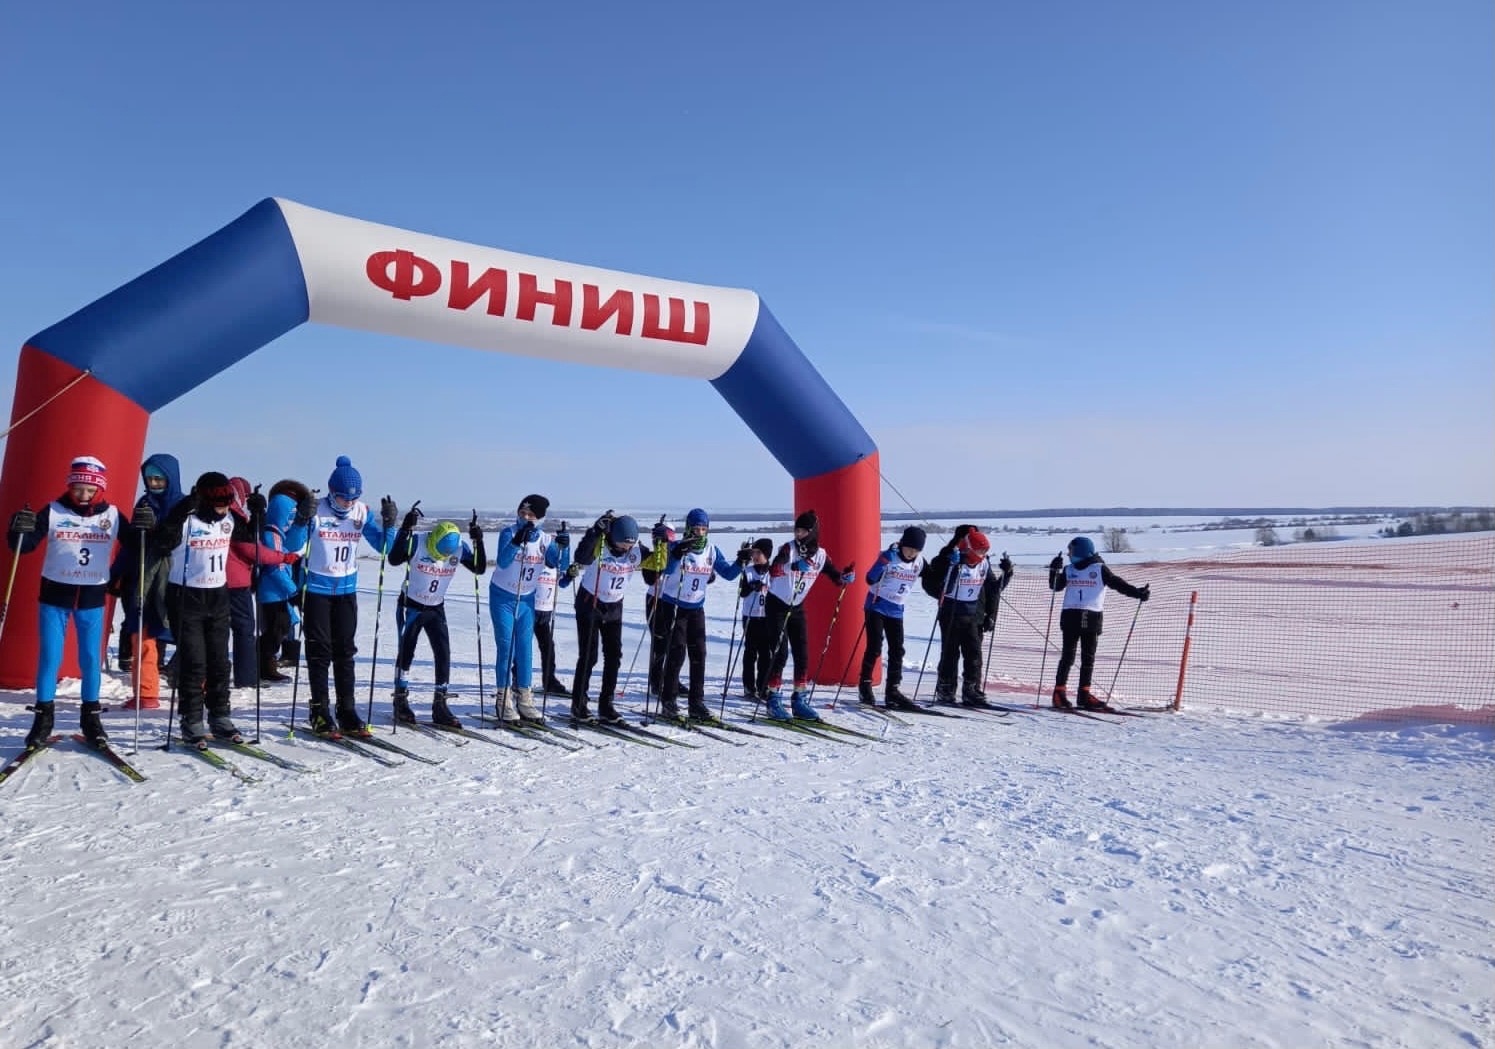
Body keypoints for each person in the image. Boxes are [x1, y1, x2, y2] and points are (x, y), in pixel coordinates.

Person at [7, 456, 123, 750]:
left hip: (92, 597)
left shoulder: (111, 514)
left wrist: (150, 526)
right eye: (78, 488)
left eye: (89, 490)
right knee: (50, 657)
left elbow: (141, 543)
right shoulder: (54, 510)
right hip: (54, 596)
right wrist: (17, 529)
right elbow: (27, 544)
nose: (83, 495)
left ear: (99, 490)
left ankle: (91, 719)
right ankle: (43, 719)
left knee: (89, 659)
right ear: (70, 486)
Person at [153, 471, 269, 746]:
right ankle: (191, 719)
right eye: (218, 504)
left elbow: (252, 538)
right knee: (194, 662)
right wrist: (180, 510)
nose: (223, 509)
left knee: (219, 662)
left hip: (218, 595)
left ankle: (219, 716)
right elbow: (162, 542)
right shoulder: (187, 519)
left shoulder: (229, 519)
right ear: (204, 500)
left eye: (227, 504)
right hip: (186, 596)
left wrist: (258, 512)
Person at [301, 456, 397, 737]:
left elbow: (384, 548)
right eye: (343, 498)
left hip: (346, 592)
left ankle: (347, 710)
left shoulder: (361, 512)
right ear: (332, 492)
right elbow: (295, 543)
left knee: (345, 652)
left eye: (353, 499)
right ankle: (319, 711)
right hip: (317, 591)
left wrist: (389, 523)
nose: (348, 504)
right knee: (319, 653)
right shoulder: (317, 511)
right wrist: (300, 518)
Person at [388, 510, 486, 728]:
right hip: (411, 606)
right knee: (406, 652)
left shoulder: (459, 548)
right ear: (433, 539)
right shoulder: (418, 542)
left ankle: (440, 704)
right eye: (437, 553)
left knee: (443, 653)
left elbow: (479, 568)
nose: (440, 559)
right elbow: (394, 559)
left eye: (444, 556)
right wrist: (404, 529)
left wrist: (478, 540)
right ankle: (400, 700)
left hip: (436, 608)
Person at [762, 510, 855, 721]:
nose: (799, 534)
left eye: (803, 531)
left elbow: (835, 576)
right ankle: (773, 699)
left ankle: (799, 700)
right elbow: (774, 569)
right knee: (780, 653)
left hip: (796, 606)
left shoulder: (821, 555)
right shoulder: (789, 549)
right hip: (777, 604)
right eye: (797, 530)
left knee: (803, 653)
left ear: (812, 533)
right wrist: (792, 566)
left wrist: (845, 577)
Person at [656, 508, 744, 722]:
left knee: (699, 655)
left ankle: (696, 703)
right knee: (676, 655)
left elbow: (729, 574)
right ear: (688, 528)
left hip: (696, 608)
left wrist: (741, 561)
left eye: (704, 529)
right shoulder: (676, 546)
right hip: (673, 605)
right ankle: (669, 702)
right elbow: (665, 571)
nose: (700, 533)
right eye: (696, 528)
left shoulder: (712, 550)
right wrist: (677, 554)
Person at [489, 494, 570, 724]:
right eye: (522, 513)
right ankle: (503, 699)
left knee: (525, 649)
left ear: (540, 518)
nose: (525, 518)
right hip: (502, 597)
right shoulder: (509, 532)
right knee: (507, 647)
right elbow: (503, 562)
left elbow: (558, 564)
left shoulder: (544, 539)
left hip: (526, 600)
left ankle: (524, 698)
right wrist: (517, 541)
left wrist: (565, 546)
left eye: (531, 515)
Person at [1048, 535, 1150, 712]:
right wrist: (1053, 570)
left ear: (1081, 551)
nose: (1068, 554)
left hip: (1091, 616)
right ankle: (1059, 693)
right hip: (1071, 615)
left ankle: (1084, 694)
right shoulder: (1069, 569)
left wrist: (1137, 593)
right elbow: (1056, 586)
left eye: (1071, 551)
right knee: (1068, 657)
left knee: (1088, 658)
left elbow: (1118, 584)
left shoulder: (1099, 568)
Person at [569, 513, 648, 724]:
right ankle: (579, 705)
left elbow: (660, 566)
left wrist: (665, 544)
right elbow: (582, 558)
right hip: (589, 603)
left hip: (614, 606)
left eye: (628, 545)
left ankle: (606, 705)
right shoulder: (600, 545)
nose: (625, 549)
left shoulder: (636, 552)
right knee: (589, 656)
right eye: (622, 544)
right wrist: (593, 532)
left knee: (614, 656)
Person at [112, 453, 183, 681]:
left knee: (167, 613)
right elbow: (131, 542)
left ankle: (166, 662)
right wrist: (116, 572)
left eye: (159, 479)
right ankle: (143, 666)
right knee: (141, 613)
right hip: (142, 567)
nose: (153, 484)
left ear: (170, 479)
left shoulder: (182, 505)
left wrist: (159, 531)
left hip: (171, 569)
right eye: (149, 479)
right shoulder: (144, 502)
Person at [927, 526, 1011, 706]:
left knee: (974, 654)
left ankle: (971, 690)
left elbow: (991, 588)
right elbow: (941, 586)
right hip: (951, 612)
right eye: (979, 550)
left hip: (972, 614)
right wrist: (954, 566)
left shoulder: (983, 563)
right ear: (969, 546)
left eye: (985, 551)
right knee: (950, 654)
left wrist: (1006, 574)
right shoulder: (952, 559)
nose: (982, 554)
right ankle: (946, 688)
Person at [858, 526, 928, 712]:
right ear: (902, 544)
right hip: (877, 606)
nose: (912, 552)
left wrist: (952, 566)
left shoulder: (919, 561)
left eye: (916, 550)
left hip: (896, 610)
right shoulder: (889, 556)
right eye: (909, 548)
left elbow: (932, 578)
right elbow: (870, 579)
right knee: (874, 647)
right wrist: (883, 561)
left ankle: (893, 691)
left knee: (897, 650)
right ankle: (865, 686)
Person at [255, 479, 312, 683]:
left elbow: (296, 545)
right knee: (275, 630)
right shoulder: (272, 535)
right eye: (289, 516)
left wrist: (302, 522)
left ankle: (266, 664)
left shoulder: (279, 533)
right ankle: (263, 665)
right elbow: (277, 567)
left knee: (279, 628)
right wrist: (293, 591)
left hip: (277, 591)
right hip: (273, 592)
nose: (291, 519)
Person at [737, 537, 774, 699]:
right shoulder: (748, 571)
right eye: (754, 552)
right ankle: (748, 686)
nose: (755, 556)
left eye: (759, 553)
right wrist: (752, 586)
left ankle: (763, 686)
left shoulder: (773, 572)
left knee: (766, 654)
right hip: (750, 617)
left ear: (767, 554)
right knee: (750, 653)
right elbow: (742, 593)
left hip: (767, 618)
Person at [530, 561, 571, 699]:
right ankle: (518, 681)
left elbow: (562, 583)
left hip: (545, 612)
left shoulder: (557, 562)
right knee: (522, 647)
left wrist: (570, 576)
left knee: (548, 647)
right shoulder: (537, 559)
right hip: (529, 610)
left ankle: (549, 681)